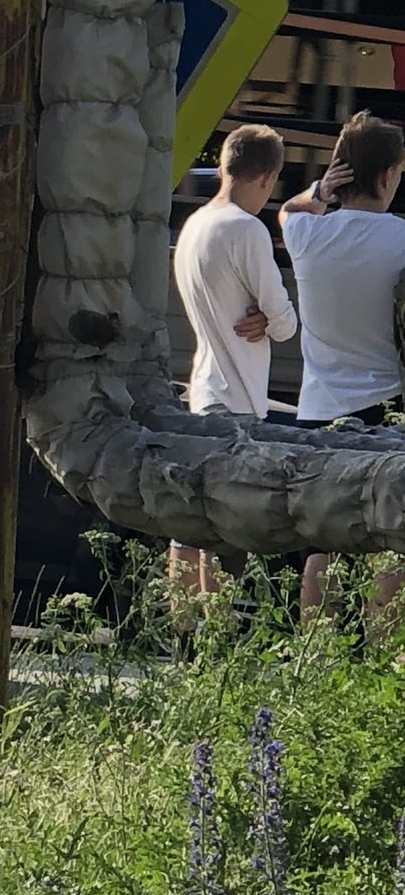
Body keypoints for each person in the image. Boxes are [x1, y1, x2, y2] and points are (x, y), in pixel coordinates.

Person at [279, 110, 405, 616]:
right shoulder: (399, 239)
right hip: (386, 407)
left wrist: (319, 190)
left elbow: (289, 210)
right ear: (385, 175)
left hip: (317, 409)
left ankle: (314, 657)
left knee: (320, 544)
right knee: (391, 541)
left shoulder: (308, 236)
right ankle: (380, 663)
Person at [170, 124, 297, 597]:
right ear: (268, 178)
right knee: (227, 535)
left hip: (201, 389)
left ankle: (182, 642)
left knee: (189, 525)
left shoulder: (196, 224)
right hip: (238, 400)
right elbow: (285, 323)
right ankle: (218, 642)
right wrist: (270, 318)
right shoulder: (247, 230)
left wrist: (263, 314)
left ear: (223, 166)